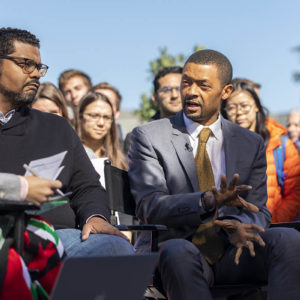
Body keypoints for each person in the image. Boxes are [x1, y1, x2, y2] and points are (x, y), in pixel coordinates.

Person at [128, 49, 300, 300]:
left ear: (226, 92)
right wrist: (206, 201)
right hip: (180, 252)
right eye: (186, 82)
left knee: (287, 238)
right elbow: (150, 206)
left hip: (235, 253)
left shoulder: (249, 142)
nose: (190, 92)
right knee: (176, 251)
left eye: (203, 85)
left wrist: (240, 227)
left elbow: (258, 209)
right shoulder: (149, 136)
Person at [0, 27, 134, 258]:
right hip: (4, 238)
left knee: (116, 248)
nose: (36, 74)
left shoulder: (57, 127)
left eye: (39, 67)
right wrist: (21, 188)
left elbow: (87, 186)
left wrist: (95, 217)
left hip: (59, 239)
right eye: (25, 64)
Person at [221, 79, 300, 223]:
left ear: (257, 106)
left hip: (274, 226)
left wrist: (265, 221)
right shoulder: (218, 145)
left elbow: (295, 194)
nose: (239, 113)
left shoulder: (281, 144)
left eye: (244, 106)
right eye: (231, 108)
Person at [123, 66, 183, 153]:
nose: (174, 95)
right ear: (155, 98)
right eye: (166, 90)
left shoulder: (202, 130)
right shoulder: (138, 138)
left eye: (179, 88)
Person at [77, 91, 127, 170]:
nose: (101, 123)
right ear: (80, 116)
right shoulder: (69, 155)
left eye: (106, 117)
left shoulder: (122, 162)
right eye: (94, 116)